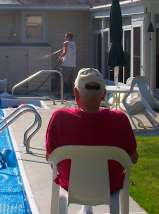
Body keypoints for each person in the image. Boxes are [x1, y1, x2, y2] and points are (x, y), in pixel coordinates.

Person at [45, 68, 138, 214]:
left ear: (76, 93)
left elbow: (50, 157)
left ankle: (85, 208)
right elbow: (133, 159)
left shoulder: (59, 118)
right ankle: (86, 208)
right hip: (109, 186)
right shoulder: (121, 120)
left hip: (71, 185)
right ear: (104, 95)